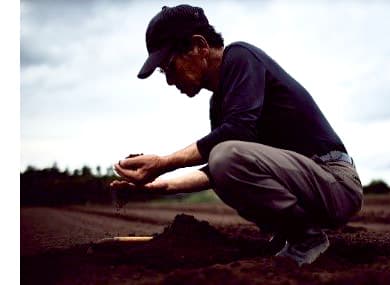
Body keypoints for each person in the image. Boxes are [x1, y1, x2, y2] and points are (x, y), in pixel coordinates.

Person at [111, 4, 363, 266]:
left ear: (199, 46)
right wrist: (156, 187)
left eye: (169, 66)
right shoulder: (220, 105)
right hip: (309, 185)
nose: (169, 81)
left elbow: (233, 140)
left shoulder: (241, 56)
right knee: (224, 163)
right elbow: (217, 171)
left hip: (335, 183)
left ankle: (305, 238)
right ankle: (292, 232)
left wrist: (163, 163)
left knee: (225, 155)